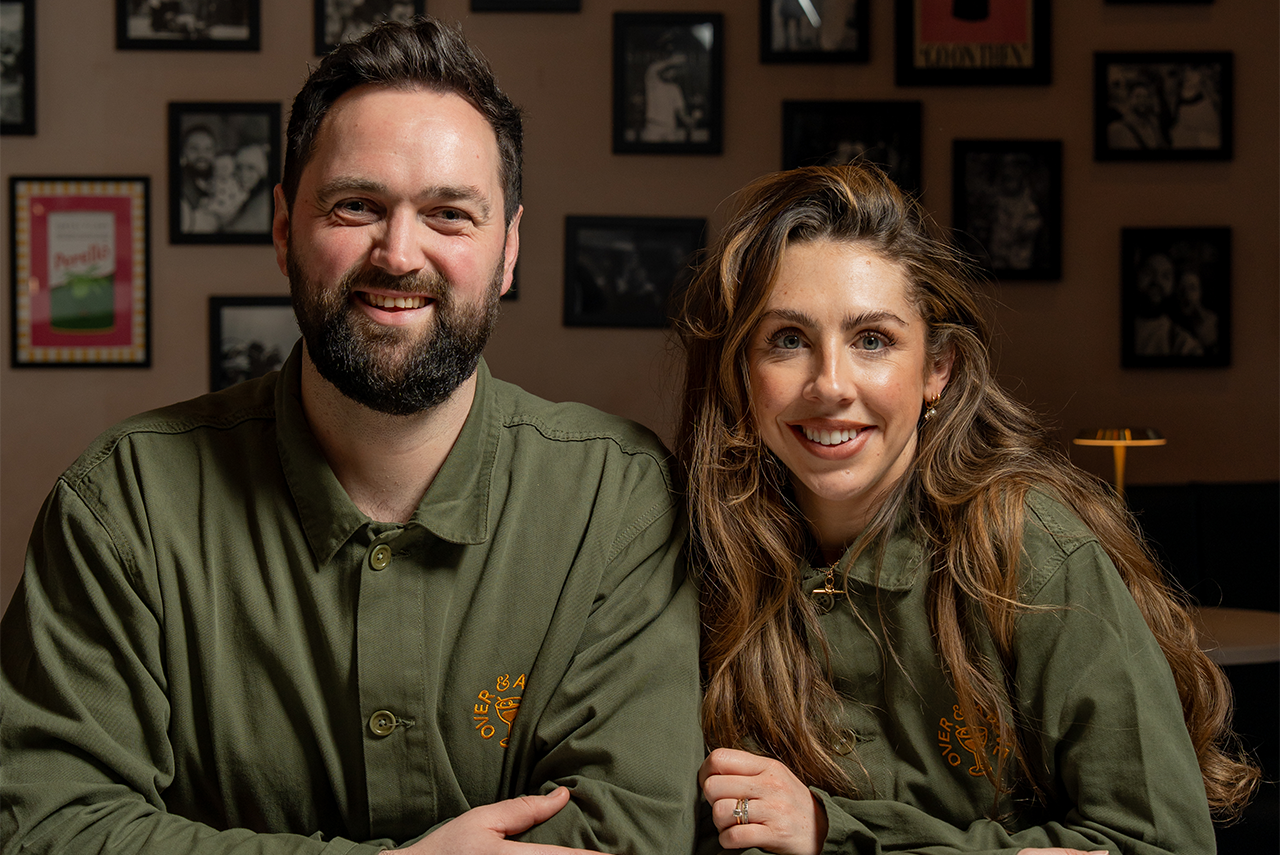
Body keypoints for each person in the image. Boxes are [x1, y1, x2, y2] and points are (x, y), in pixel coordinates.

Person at [0, 17, 702, 855]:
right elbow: (51, 827)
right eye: (357, 205)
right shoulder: (123, 506)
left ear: (508, 250)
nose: (398, 254)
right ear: (282, 227)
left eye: (449, 214)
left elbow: (629, 833)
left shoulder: (619, 500)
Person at [673, 164, 1257, 854]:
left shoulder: (1026, 546)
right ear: (743, 375)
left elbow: (1162, 843)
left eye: (873, 340)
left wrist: (836, 832)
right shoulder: (694, 555)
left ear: (937, 370)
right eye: (788, 340)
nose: (830, 384)